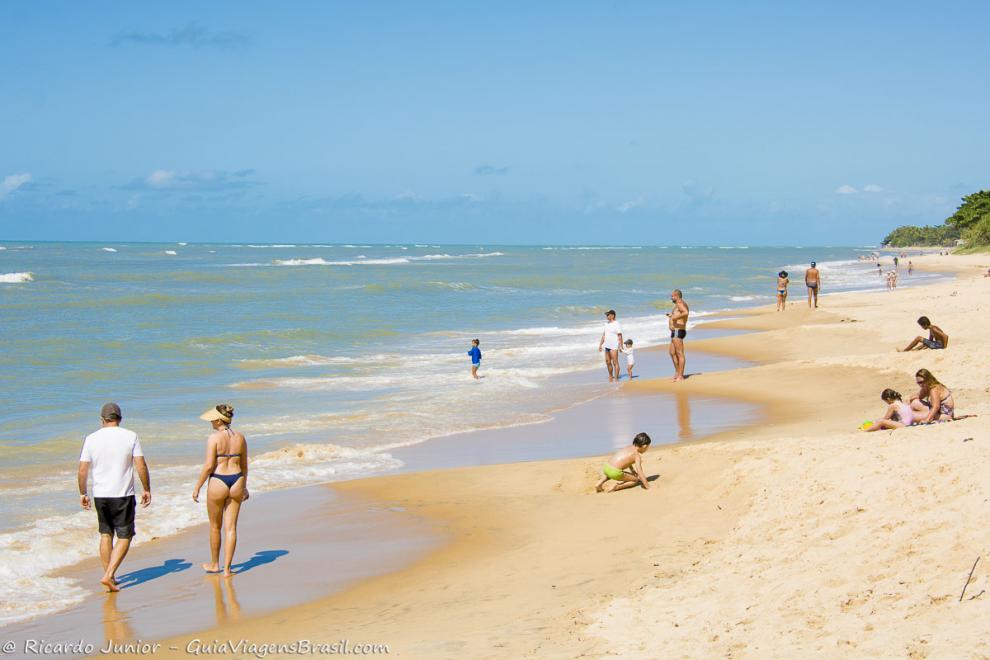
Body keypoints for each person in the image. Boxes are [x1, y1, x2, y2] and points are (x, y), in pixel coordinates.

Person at [77, 403, 152, 592]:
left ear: (102, 420)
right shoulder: (130, 436)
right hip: (122, 494)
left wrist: (83, 493)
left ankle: (110, 576)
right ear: (120, 418)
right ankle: (109, 575)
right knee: (125, 536)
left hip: (100, 495)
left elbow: (83, 469)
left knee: (105, 534)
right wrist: (147, 488)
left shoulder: (91, 438)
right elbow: (140, 465)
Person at [193, 405, 249, 577]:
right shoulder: (240, 437)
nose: (210, 421)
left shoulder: (214, 438)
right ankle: (227, 569)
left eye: (212, 419)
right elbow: (244, 465)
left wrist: (198, 486)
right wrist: (245, 486)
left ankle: (215, 564)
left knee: (215, 526)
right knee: (231, 528)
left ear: (218, 420)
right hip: (237, 479)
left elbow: (209, 465)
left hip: (219, 480)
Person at [667, 290, 689, 382]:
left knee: (679, 353)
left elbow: (686, 312)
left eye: (672, 296)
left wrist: (675, 317)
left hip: (678, 331)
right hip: (675, 331)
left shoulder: (680, 303)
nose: (671, 298)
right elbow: (681, 314)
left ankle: (681, 376)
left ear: (677, 296)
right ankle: (678, 371)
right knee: (672, 352)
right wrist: (672, 315)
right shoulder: (679, 304)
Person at [598, 310, 624, 382]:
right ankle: (610, 376)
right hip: (607, 346)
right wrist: (600, 344)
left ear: (612, 315)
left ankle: (616, 378)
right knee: (608, 362)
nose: (607, 316)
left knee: (615, 362)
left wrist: (621, 346)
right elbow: (604, 335)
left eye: (608, 315)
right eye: (606, 315)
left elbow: (620, 335)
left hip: (614, 346)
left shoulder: (617, 324)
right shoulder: (606, 324)